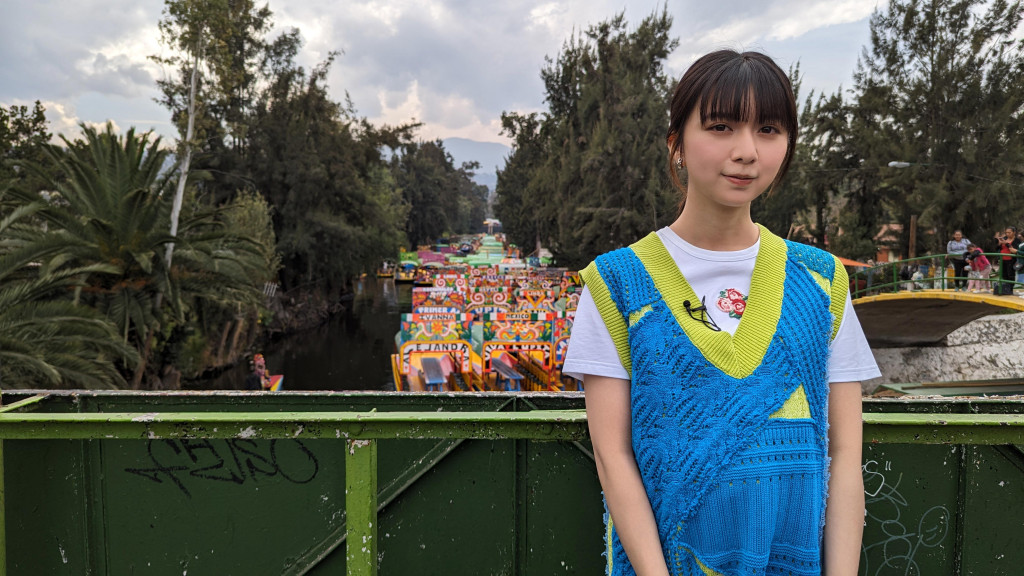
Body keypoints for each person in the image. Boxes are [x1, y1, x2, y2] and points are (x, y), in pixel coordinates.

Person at [562, 50, 879, 576]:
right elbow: (613, 457)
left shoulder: (821, 283)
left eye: (770, 130)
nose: (746, 151)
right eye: (721, 127)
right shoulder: (617, 284)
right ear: (677, 145)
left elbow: (845, 455)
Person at [996, 227, 1020, 295]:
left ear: (1014, 232)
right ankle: (1005, 289)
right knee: (1004, 274)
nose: (1007, 234)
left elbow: (1015, 249)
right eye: (1006, 232)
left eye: (1009, 232)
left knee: (1010, 274)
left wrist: (1006, 243)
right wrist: (999, 243)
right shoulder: (1005, 239)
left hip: (1011, 260)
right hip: (1003, 259)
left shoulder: (1017, 240)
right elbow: (998, 248)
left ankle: (1010, 290)